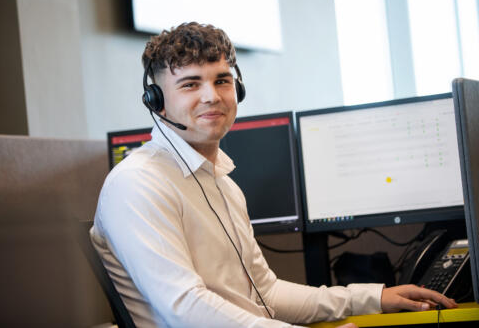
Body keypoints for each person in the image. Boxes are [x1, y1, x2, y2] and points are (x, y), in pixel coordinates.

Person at [90, 22, 457, 328]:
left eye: (222, 80)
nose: (212, 96)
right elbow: (184, 307)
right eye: (190, 84)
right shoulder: (139, 183)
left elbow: (266, 295)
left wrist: (371, 297)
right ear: (156, 100)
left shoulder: (223, 185)